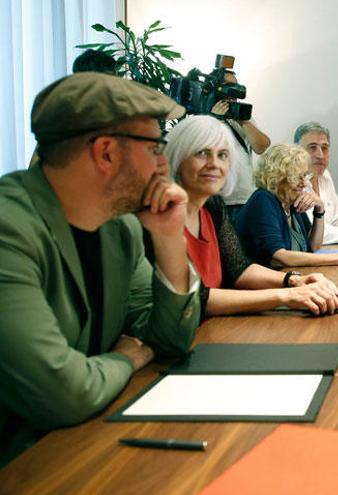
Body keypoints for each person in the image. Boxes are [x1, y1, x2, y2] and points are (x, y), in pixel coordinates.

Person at [0, 73, 201, 466]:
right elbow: (63, 393)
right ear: (106, 153)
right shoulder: (9, 230)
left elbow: (169, 340)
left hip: (80, 442)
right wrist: (127, 357)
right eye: (156, 147)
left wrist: (167, 237)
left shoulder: (119, 226)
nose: (165, 164)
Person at [164, 116, 338, 318]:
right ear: (178, 157)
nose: (214, 163)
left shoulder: (213, 206)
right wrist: (286, 295)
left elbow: (239, 269)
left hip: (217, 325)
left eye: (222, 155)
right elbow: (196, 299)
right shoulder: (163, 212)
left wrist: (294, 280)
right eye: (202, 153)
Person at [235, 143, 338, 267]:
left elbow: (314, 245)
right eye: (297, 177)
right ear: (277, 176)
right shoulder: (263, 200)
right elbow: (280, 257)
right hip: (263, 287)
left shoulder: (290, 201)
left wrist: (319, 209)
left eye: (305, 176)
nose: (304, 183)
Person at [213, 71, 271, 218]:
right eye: (230, 86)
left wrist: (243, 120)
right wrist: (215, 119)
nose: (235, 91)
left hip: (246, 197)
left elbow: (261, 146)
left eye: (237, 86)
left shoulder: (243, 116)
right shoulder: (204, 117)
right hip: (220, 201)